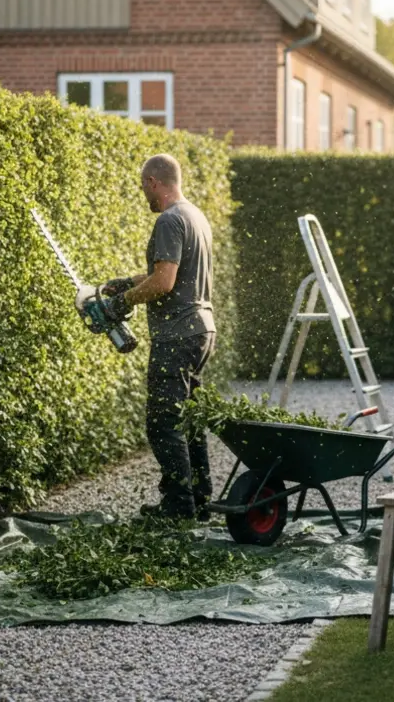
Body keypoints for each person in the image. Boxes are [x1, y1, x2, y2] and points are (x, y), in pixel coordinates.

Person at [100, 154, 217, 521]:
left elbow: (164, 283)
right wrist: (127, 283)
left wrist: (121, 303)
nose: (144, 194)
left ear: (153, 182)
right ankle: (199, 498)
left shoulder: (168, 220)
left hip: (177, 335)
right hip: (201, 329)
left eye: (143, 187)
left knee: (163, 422)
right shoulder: (194, 215)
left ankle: (178, 506)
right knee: (188, 418)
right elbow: (169, 274)